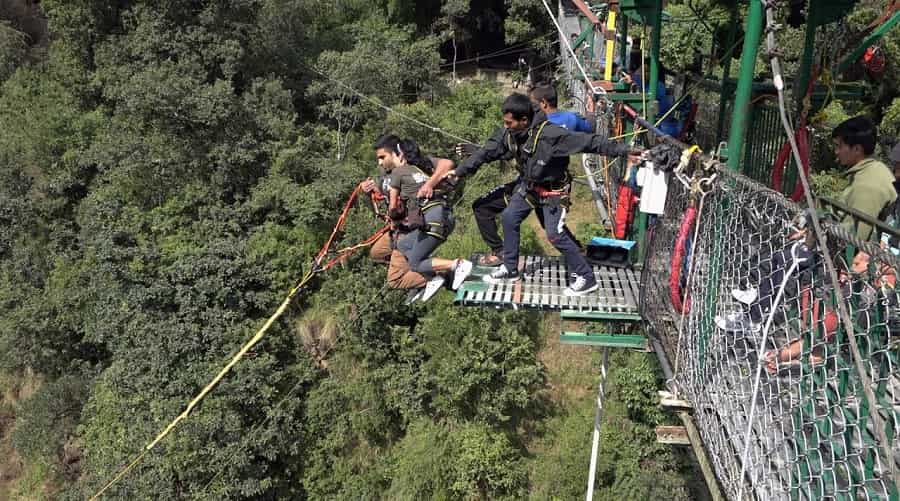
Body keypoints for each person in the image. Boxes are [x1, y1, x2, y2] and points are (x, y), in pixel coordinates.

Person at [447, 93, 641, 296]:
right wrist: (459, 172)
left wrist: (624, 151)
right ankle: (510, 268)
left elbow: (590, 142)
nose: (506, 126)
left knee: (554, 234)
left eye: (509, 122)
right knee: (509, 216)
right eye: (504, 122)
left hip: (553, 190)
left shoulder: (552, 136)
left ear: (524, 120)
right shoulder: (509, 135)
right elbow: (485, 152)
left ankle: (587, 278)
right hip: (530, 186)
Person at [372, 135, 473, 301]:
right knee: (390, 249)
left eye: (382, 157)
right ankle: (423, 279)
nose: (380, 163)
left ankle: (447, 270)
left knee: (408, 268)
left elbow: (393, 209)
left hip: (426, 221)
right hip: (436, 217)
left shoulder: (404, 170)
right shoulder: (407, 171)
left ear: (398, 153)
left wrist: (428, 185)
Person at [831, 116, 897, 240]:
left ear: (857, 149)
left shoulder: (868, 185)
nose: (836, 152)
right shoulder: (871, 170)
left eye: (839, 146)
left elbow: (855, 237)